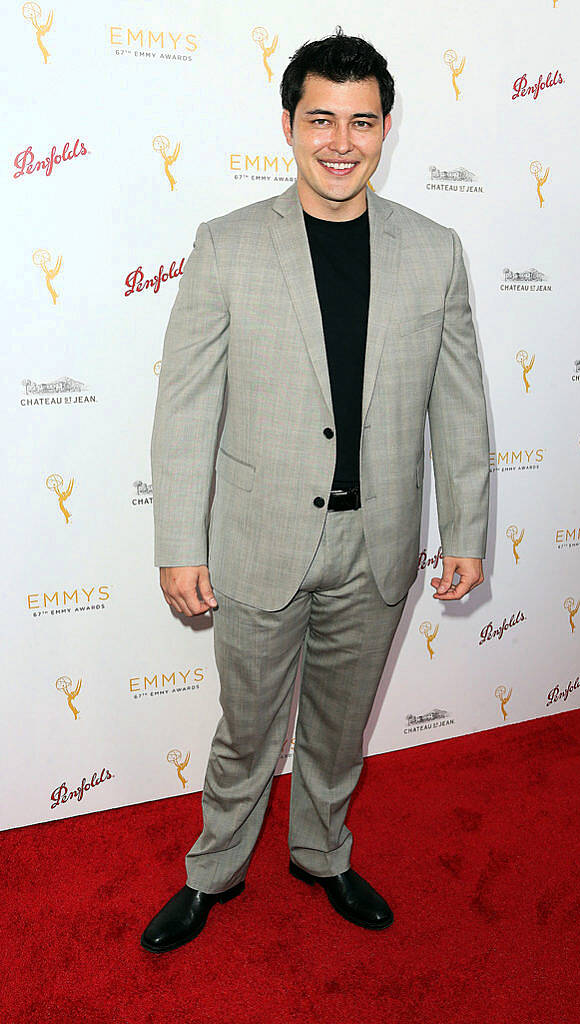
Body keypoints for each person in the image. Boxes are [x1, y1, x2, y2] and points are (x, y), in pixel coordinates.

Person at [141, 26, 490, 954]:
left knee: (339, 729)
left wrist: (466, 529)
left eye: (361, 121)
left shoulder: (435, 249)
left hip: (376, 541)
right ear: (289, 125)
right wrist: (181, 541)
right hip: (258, 542)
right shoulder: (226, 247)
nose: (341, 141)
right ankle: (212, 869)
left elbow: (458, 407)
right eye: (321, 119)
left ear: (385, 130)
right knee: (246, 730)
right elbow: (184, 410)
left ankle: (321, 853)